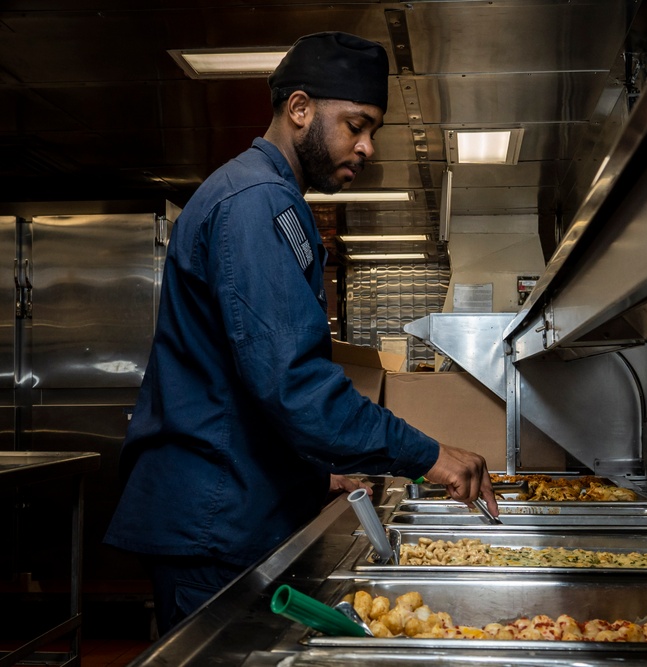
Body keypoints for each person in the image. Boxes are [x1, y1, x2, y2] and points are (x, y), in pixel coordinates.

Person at [104, 31, 497, 635]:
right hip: (215, 519)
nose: (365, 147)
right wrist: (430, 456)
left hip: (230, 504)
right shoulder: (257, 203)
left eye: (373, 133)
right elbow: (295, 386)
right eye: (356, 126)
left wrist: (316, 474)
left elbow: (246, 386)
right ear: (300, 109)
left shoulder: (263, 196)